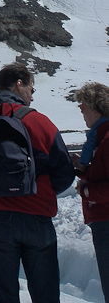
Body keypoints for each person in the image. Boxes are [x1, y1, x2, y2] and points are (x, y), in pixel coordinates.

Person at [0, 61, 75, 303]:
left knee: (5, 295)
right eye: (31, 88)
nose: (32, 94)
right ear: (19, 84)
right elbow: (64, 172)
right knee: (46, 294)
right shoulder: (41, 122)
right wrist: (42, 192)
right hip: (37, 215)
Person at [71, 82, 109, 302]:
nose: (81, 110)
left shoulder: (105, 139)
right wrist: (85, 172)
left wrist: (85, 190)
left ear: (96, 108)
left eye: (82, 105)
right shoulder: (100, 138)